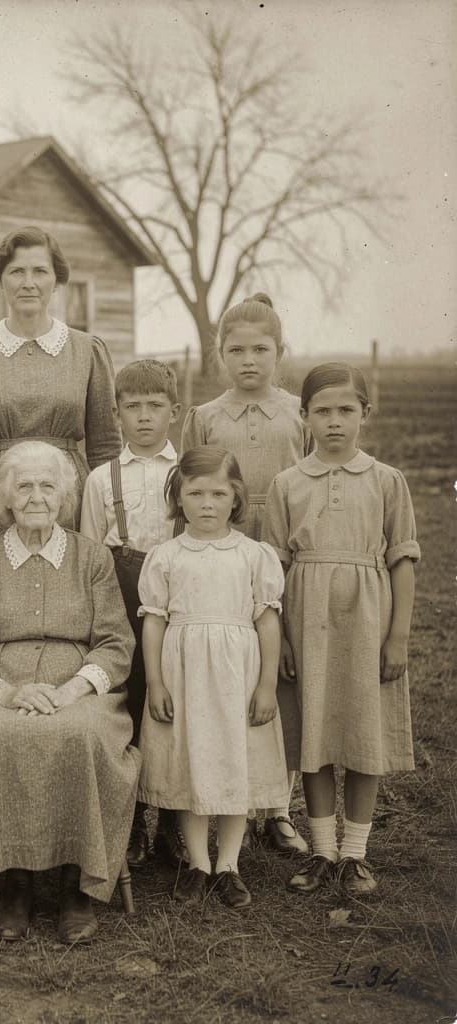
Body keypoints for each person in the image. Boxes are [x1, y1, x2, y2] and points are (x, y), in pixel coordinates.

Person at [0, 441, 139, 944]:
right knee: (6, 734)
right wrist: (6, 694)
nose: (35, 496)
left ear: (64, 496)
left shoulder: (92, 558)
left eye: (47, 486)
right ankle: (15, 882)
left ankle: (78, 885)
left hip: (81, 689)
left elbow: (117, 642)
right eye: (24, 486)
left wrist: (73, 689)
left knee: (81, 734)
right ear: (5, 498)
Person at [264, 364, 418, 897]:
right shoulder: (286, 483)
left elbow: (402, 562)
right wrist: (280, 636)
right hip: (305, 619)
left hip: (367, 620)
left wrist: (397, 635)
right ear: (304, 417)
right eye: (322, 411)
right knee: (316, 731)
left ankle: (355, 854)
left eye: (345, 410)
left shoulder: (386, 480)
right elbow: (274, 569)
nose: (334, 421)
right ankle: (322, 850)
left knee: (363, 731)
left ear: (364, 416)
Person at [179, 292, 309, 855]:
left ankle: (277, 804)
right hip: (218, 564)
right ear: (219, 354)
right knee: (220, 675)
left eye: (261, 349)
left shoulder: (299, 414)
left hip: (285, 559)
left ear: (281, 351)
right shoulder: (205, 418)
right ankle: (211, 797)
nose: (249, 360)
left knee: (279, 674)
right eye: (237, 350)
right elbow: (184, 490)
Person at [0, 227, 120, 611]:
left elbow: (106, 450)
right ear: (0, 280)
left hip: (68, 501)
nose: (29, 283)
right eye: (17, 272)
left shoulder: (88, 351)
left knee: (69, 608)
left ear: (57, 281)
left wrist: (112, 522)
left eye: (40, 272)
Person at [137, 446, 288, 908]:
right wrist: (156, 683)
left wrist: (265, 685)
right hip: (183, 676)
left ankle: (229, 865)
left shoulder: (254, 556)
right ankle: (198, 863)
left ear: (236, 497)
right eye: (195, 493)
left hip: (237, 677)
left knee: (233, 762)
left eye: (218, 494)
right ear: (177, 499)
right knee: (192, 762)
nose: (207, 503)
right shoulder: (165, 556)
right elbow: (154, 621)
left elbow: (267, 622)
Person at [79, 359, 188, 868]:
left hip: (178, 597)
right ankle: (130, 823)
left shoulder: (187, 474)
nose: (144, 417)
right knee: (128, 699)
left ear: (175, 412)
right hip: (122, 592)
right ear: (116, 414)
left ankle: (171, 821)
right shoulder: (102, 478)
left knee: (173, 704)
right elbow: (90, 553)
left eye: (155, 406)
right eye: (132, 407)